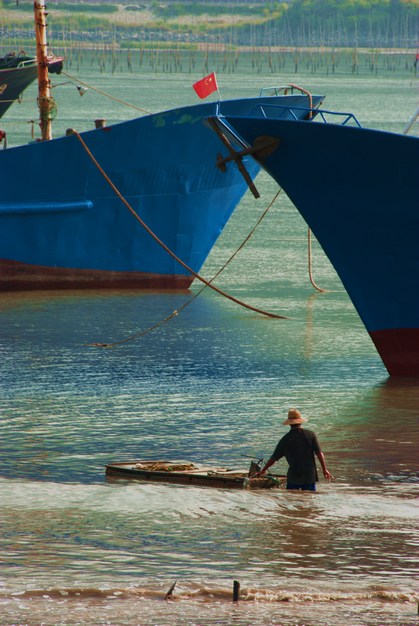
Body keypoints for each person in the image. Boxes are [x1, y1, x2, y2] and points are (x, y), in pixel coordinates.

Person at [254, 408, 334, 491]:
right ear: (300, 421)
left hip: (294, 476)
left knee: (292, 499)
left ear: (289, 423)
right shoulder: (310, 435)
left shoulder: (285, 439)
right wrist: (324, 470)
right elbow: (319, 453)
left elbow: (274, 458)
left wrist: (263, 470)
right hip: (309, 475)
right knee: (309, 500)